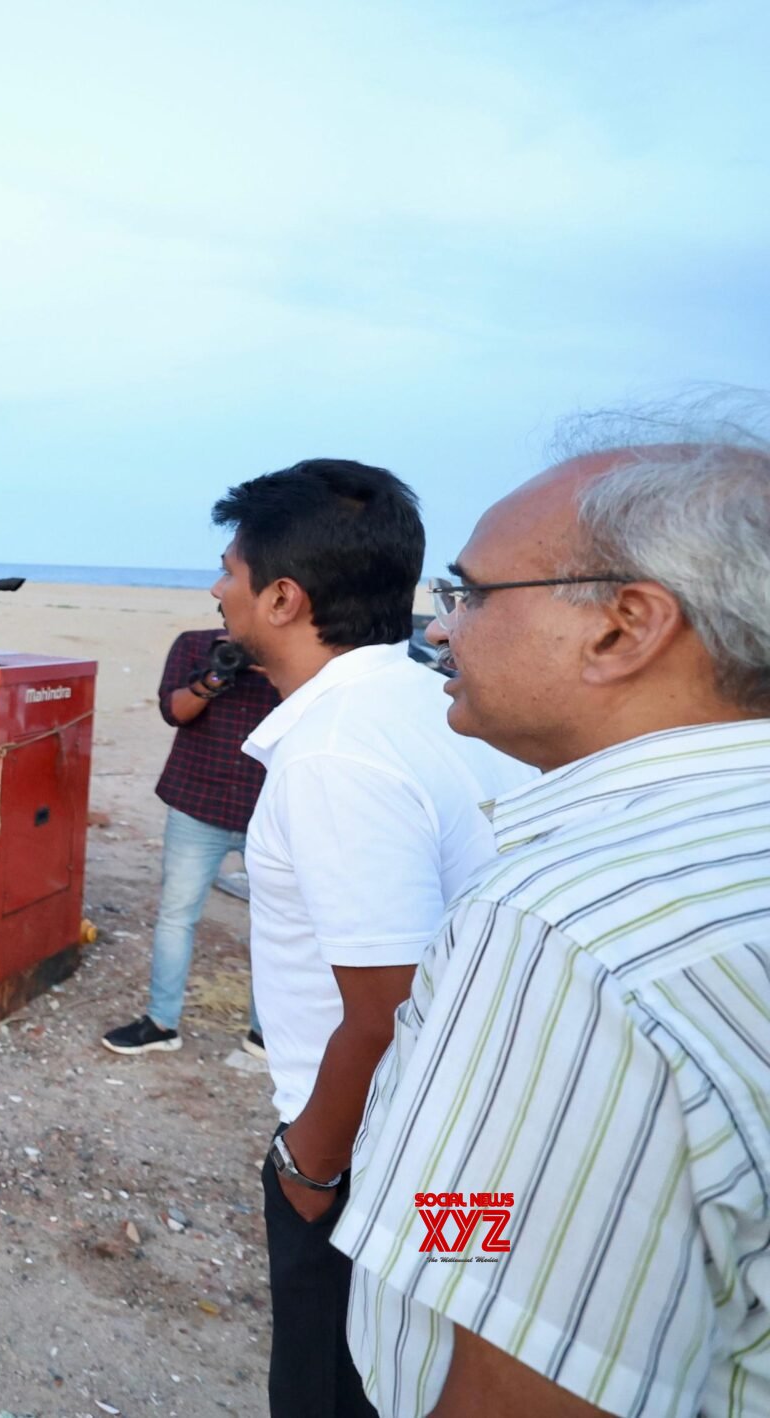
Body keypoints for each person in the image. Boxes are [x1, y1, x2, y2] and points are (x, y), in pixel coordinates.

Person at [334, 416, 770, 1417]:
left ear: (624, 625)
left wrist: (426, 1204)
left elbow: (512, 1314)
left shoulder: (572, 931)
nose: (438, 626)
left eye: (473, 593)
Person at [213, 459, 534, 1418]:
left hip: (373, 1158)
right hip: (468, 1137)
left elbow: (390, 1006)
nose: (215, 589)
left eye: (228, 569)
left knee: (333, 1388)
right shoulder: (436, 704)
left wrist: (309, 1168)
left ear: (282, 597)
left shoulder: (335, 754)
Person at [100, 627, 280, 1058]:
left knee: (278, 928)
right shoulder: (195, 645)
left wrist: (275, 666)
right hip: (197, 803)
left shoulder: (296, 654)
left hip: (272, 812)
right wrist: (215, 676)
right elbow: (175, 712)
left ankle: (267, 1034)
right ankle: (161, 1022)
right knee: (176, 917)